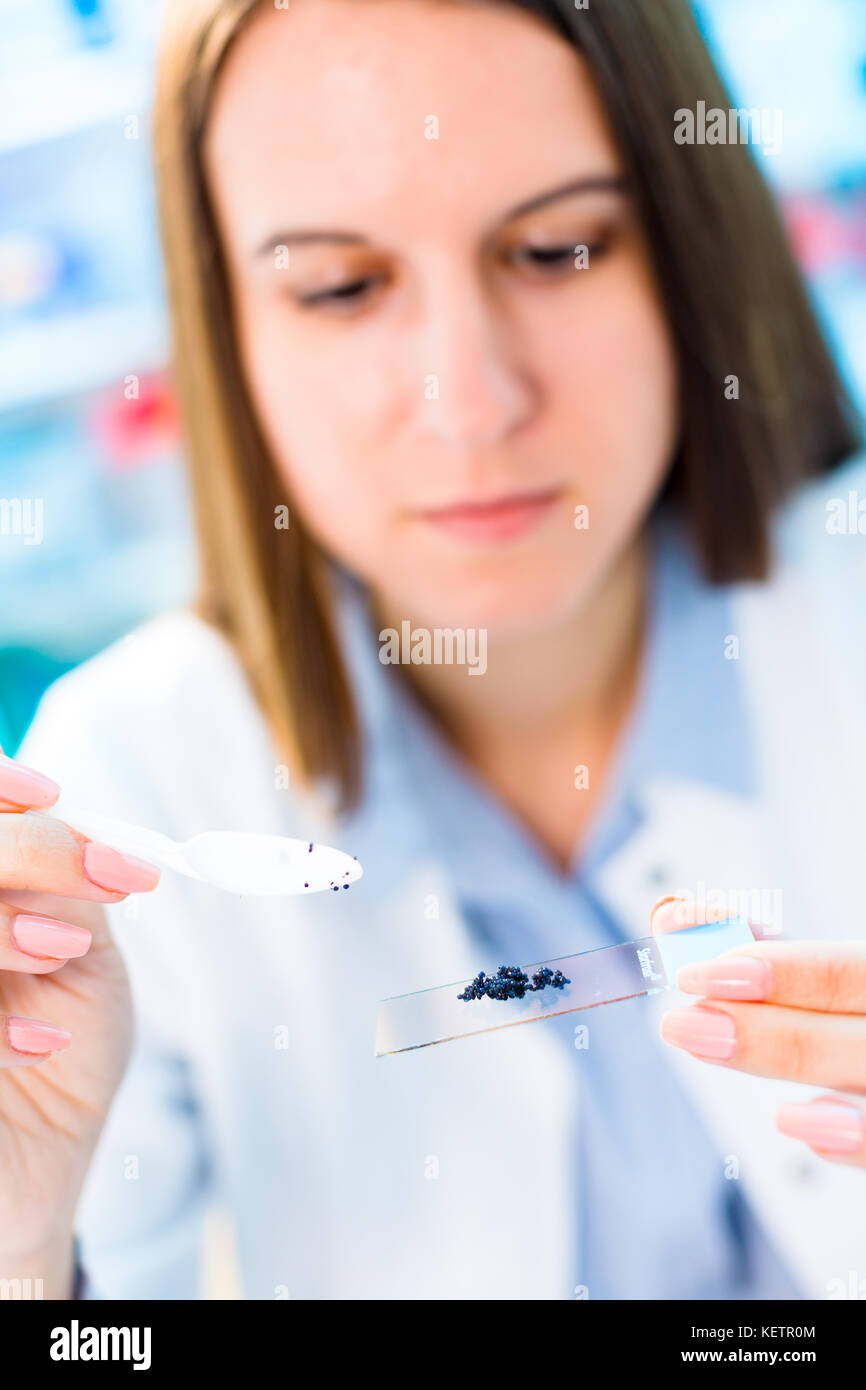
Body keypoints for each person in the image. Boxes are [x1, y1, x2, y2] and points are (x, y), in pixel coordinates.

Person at [2, 0, 865, 1300]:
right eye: (339, 287)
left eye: (558, 248)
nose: (468, 401)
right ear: (228, 335)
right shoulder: (131, 783)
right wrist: (25, 1254)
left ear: (693, 247)